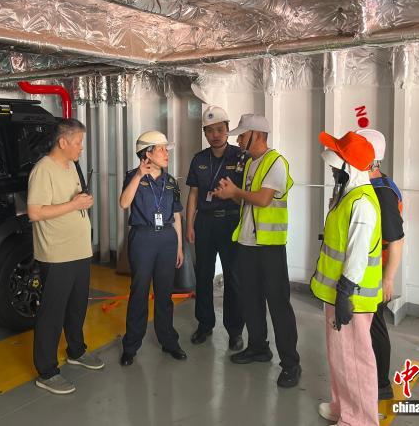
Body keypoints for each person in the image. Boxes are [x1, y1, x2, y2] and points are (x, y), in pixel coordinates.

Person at [213, 114, 302, 388]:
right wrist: (230, 193)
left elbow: (263, 200)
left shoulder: (276, 162)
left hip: (269, 247)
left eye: (242, 135)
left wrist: (235, 192)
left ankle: (291, 364)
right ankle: (258, 347)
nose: (239, 141)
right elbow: (247, 201)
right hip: (247, 244)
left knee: (278, 305)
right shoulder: (252, 163)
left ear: (258, 135)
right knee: (250, 299)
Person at [27, 118, 104, 396]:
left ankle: (76, 350)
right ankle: (47, 371)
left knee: (76, 306)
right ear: (63, 142)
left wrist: (81, 201)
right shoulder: (43, 170)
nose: (81, 148)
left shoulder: (71, 166)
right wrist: (74, 204)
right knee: (52, 312)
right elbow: (35, 212)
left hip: (79, 250)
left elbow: (72, 202)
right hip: (57, 253)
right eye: (78, 142)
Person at [310, 131, 381, 426]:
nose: (331, 171)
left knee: (354, 359)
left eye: (335, 166)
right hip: (337, 292)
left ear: (348, 168)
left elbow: (358, 254)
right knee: (340, 356)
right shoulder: (348, 196)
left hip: (352, 296)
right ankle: (343, 407)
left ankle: (360, 420)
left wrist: (345, 293)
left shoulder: (361, 202)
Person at [119, 130, 187, 366]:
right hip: (143, 238)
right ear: (147, 153)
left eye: (166, 149)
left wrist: (179, 247)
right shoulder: (133, 177)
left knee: (164, 293)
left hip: (167, 239)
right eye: (161, 149)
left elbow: (176, 215)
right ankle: (130, 346)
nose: (166, 153)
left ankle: (169, 341)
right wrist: (139, 175)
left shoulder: (171, 181)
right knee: (139, 291)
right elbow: (124, 203)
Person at [186, 106, 245, 351]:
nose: (216, 135)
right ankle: (204, 324)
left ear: (228, 129)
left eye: (220, 129)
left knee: (234, 277)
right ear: (205, 133)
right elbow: (193, 194)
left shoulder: (240, 157)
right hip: (205, 222)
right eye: (210, 131)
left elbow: (246, 193)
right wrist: (189, 224)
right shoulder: (199, 159)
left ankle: (235, 330)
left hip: (231, 221)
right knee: (203, 275)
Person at [356, 128, 405, 402]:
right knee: (369, 325)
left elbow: (396, 240)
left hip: (376, 272)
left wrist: (388, 279)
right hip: (369, 269)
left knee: (375, 325)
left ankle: (381, 384)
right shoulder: (373, 185)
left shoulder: (382, 192)